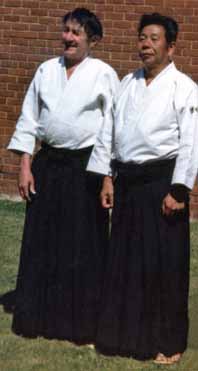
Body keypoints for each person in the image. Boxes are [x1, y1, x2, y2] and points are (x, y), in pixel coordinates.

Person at [87, 13, 198, 364]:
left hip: (163, 183)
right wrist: (107, 176)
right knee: (123, 263)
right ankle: (119, 337)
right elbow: (109, 132)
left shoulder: (185, 87)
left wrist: (178, 190)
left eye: (153, 38)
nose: (145, 44)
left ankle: (169, 343)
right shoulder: (127, 83)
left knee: (164, 266)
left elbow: (192, 143)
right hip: (129, 182)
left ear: (171, 46)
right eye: (141, 38)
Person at [8, 7, 119, 343]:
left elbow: (112, 128)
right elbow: (29, 118)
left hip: (85, 168)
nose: (68, 38)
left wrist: (107, 176)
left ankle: (79, 323)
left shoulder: (103, 74)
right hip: (48, 164)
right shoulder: (46, 70)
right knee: (41, 241)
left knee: (82, 244)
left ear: (92, 39)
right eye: (66, 30)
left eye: (76, 32)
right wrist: (25, 164)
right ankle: (36, 316)